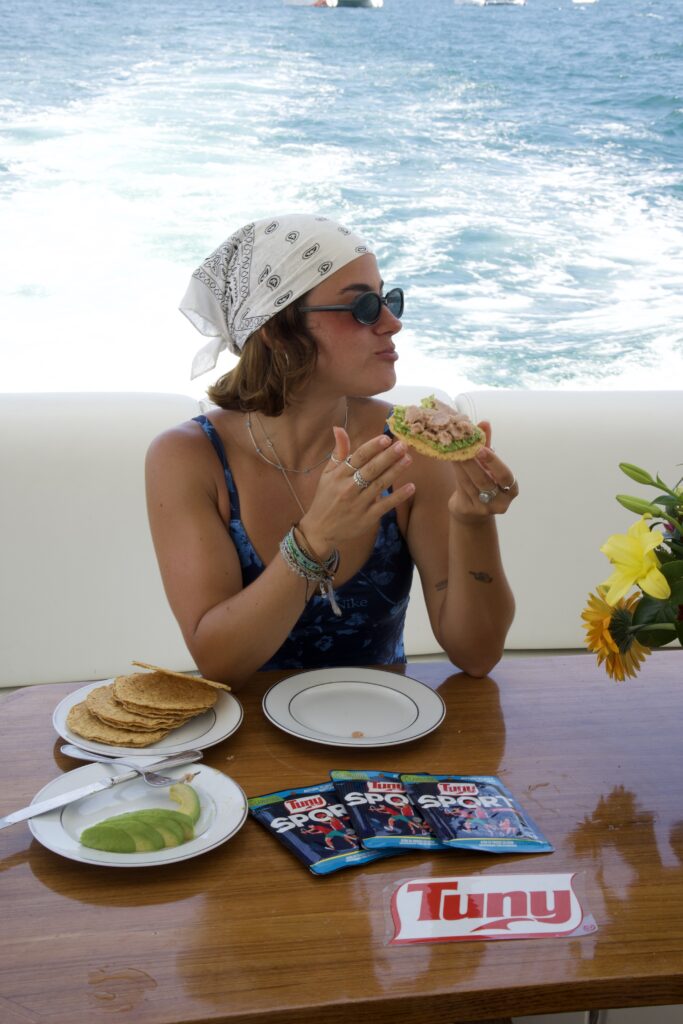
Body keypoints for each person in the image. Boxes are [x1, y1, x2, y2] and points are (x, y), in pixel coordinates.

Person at [145, 213, 518, 689]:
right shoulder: (188, 459)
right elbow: (219, 662)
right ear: (277, 330)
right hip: (248, 732)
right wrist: (315, 538)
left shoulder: (407, 448)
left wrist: (472, 519)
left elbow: (478, 655)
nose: (393, 323)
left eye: (387, 299)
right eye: (363, 306)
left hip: (386, 725)